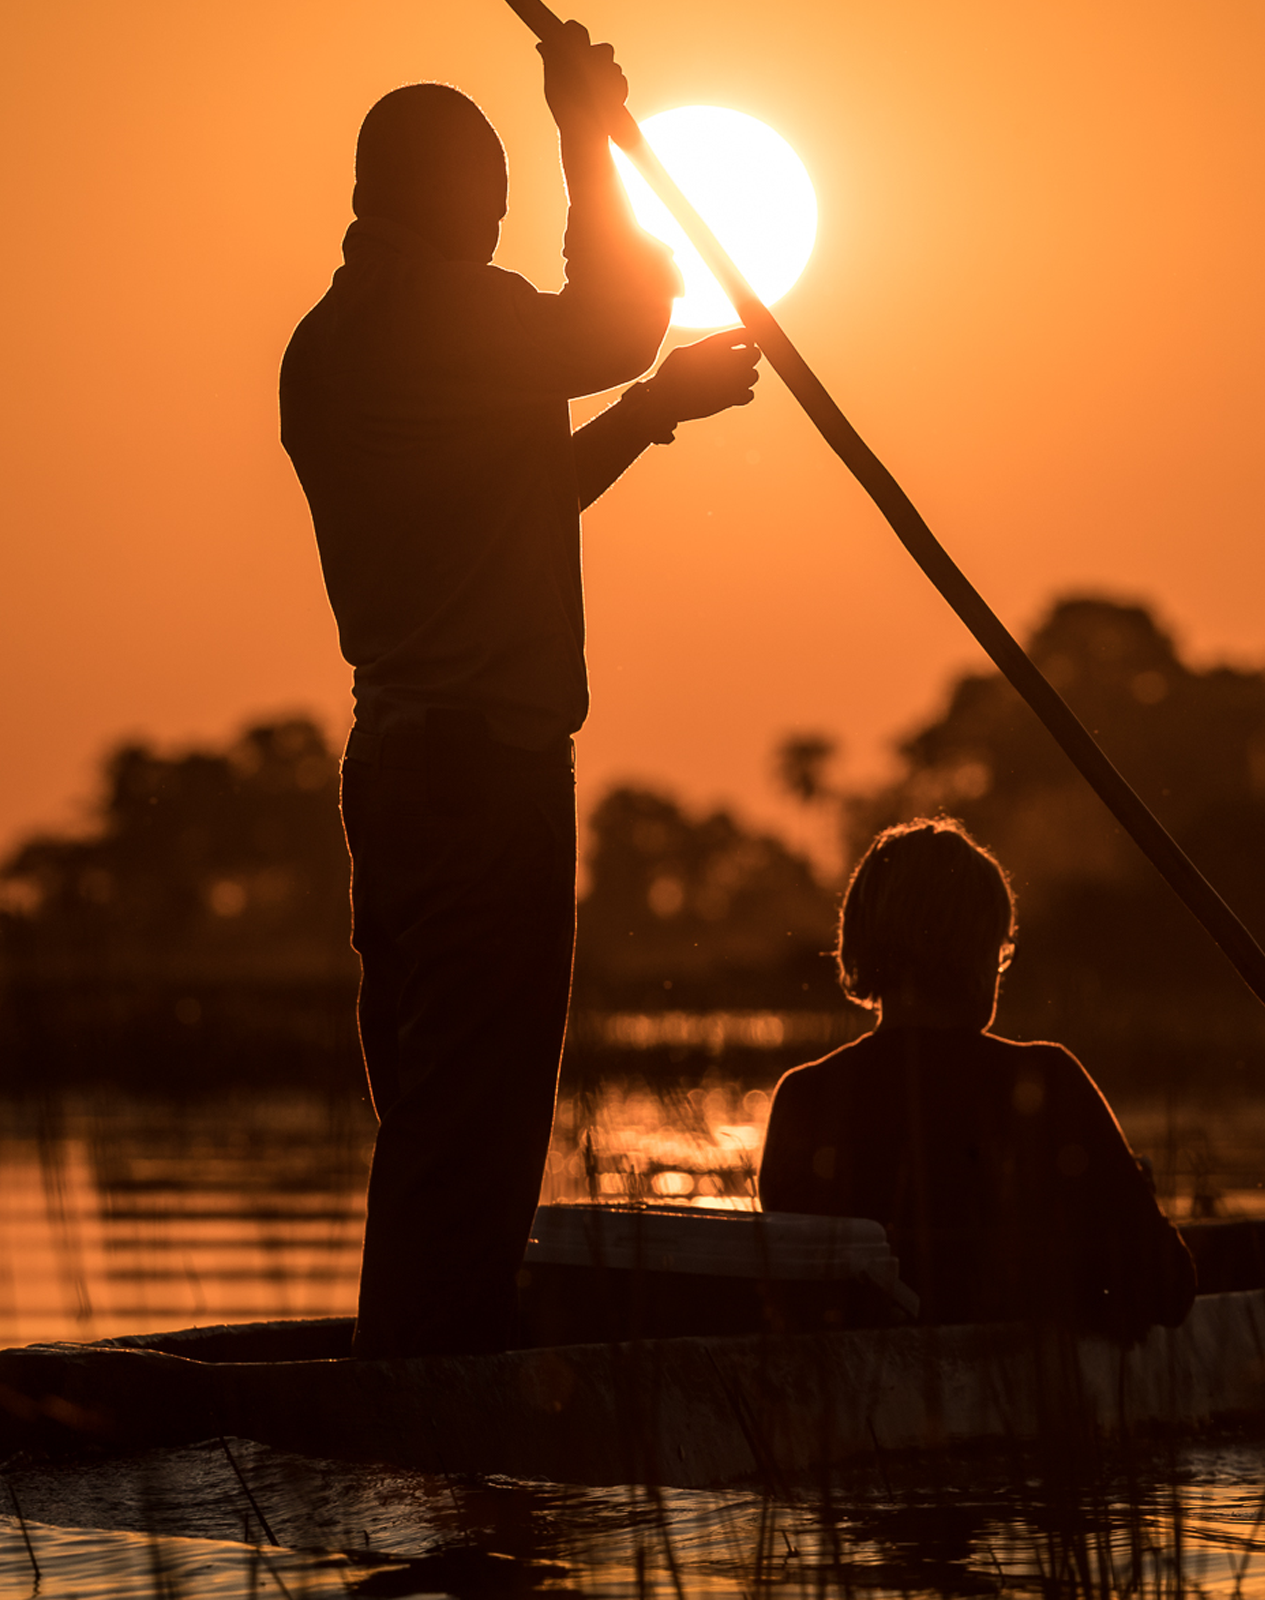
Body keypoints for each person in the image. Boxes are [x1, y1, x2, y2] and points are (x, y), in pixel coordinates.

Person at [279, 22, 762, 1359]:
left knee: (435, 1112)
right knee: (477, 1117)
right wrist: (584, 130)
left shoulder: (330, 347)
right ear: (434, 192)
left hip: (393, 766)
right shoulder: (452, 310)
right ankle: (437, 1406)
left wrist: (656, 412)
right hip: (487, 773)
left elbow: (508, 501)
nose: (503, 216)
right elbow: (611, 314)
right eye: (489, 187)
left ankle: (415, 1380)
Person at [758, 820, 1196, 1341]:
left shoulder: (805, 1095)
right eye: (999, 947)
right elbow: (1168, 1289)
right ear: (981, 949)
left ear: (862, 944)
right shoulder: (1046, 1080)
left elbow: (792, 1297)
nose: (1000, 966)